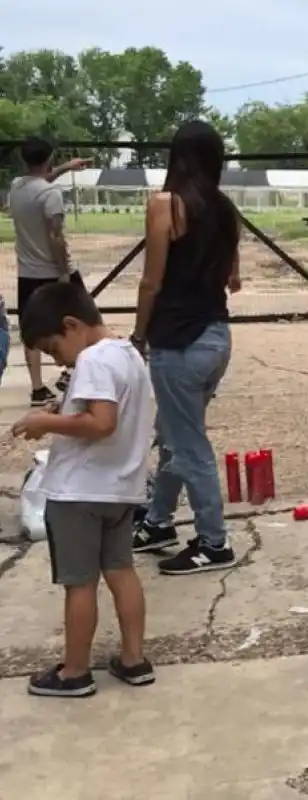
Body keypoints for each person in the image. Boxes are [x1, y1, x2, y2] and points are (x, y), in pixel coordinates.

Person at [12, 282, 155, 698]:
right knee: (122, 572)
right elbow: (108, 412)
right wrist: (64, 409)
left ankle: (74, 671)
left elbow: (101, 423)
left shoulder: (92, 359)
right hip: (121, 489)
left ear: (72, 325)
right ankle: (134, 660)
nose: (58, 360)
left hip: (79, 492)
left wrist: (45, 423)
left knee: (80, 583)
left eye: (53, 348)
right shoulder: (129, 354)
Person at [128, 120, 242, 575]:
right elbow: (233, 278)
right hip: (215, 338)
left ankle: (214, 542)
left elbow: (151, 282)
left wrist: (138, 336)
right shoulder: (226, 209)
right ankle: (158, 521)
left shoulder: (166, 205)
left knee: (188, 445)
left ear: (176, 157)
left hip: (177, 343)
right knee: (174, 433)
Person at [8, 137, 90, 406]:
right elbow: (56, 236)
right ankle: (72, 371)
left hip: (27, 272)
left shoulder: (17, 187)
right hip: (52, 270)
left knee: (31, 329)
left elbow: (39, 181)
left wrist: (66, 167)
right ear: (49, 158)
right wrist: (64, 272)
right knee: (83, 321)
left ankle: (37, 388)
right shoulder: (51, 194)